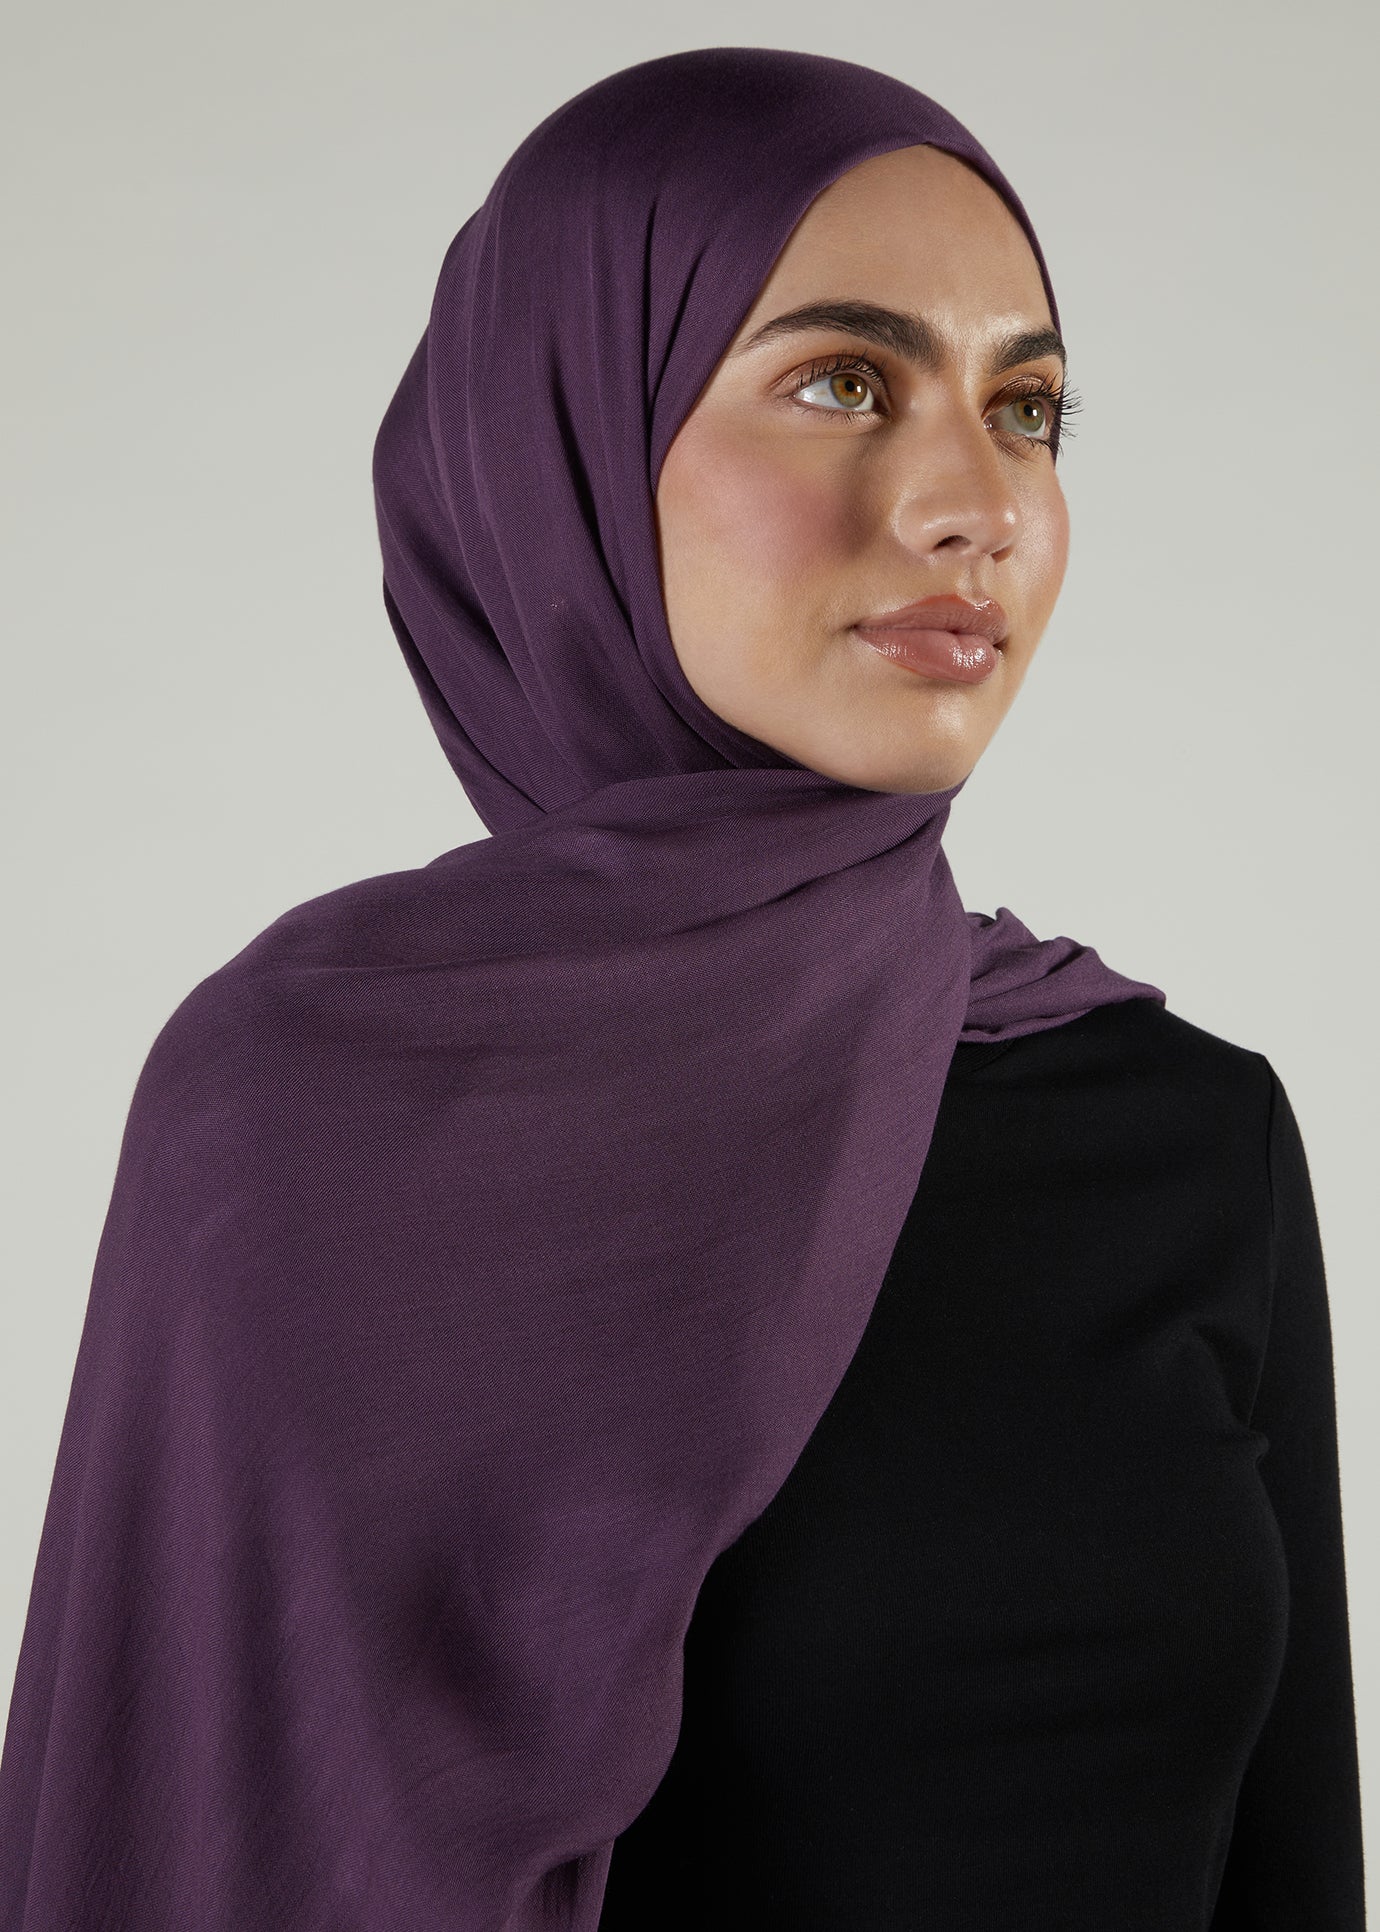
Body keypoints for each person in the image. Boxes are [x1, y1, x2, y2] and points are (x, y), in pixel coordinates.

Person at [0, 45, 1365, 1932]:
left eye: (1029, 408)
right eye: (844, 381)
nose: (976, 501)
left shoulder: (1184, 1136)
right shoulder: (299, 1125)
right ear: (559, 444)